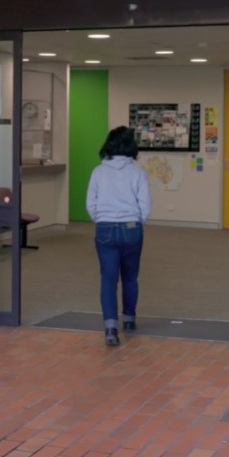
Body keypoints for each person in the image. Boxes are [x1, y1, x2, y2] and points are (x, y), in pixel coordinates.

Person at [86, 126, 151, 346]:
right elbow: (145, 206)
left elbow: (91, 203)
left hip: (105, 229)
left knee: (108, 279)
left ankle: (111, 329)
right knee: (130, 277)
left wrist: (102, 219)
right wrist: (136, 222)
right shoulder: (138, 173)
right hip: (132, 227)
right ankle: (130, 320)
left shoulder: (98, 172)